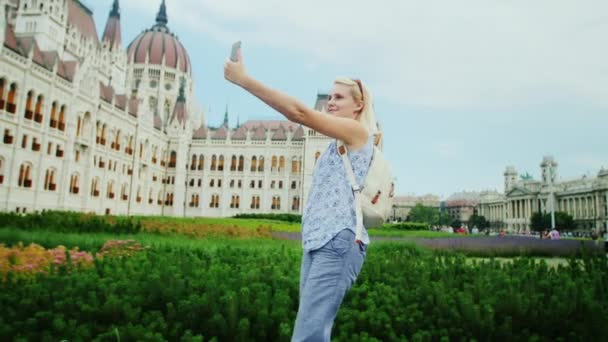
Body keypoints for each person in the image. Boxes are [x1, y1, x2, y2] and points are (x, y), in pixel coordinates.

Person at [225, 47, 377, 342]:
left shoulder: (357, 134)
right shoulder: (337, 144)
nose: (330, 102)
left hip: (338, 240)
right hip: (318, 242)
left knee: (307, 335)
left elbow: (299, 113)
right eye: (329, 97)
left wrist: (244, 80)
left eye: (339, 98)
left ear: (358, 106)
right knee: (312, 332)